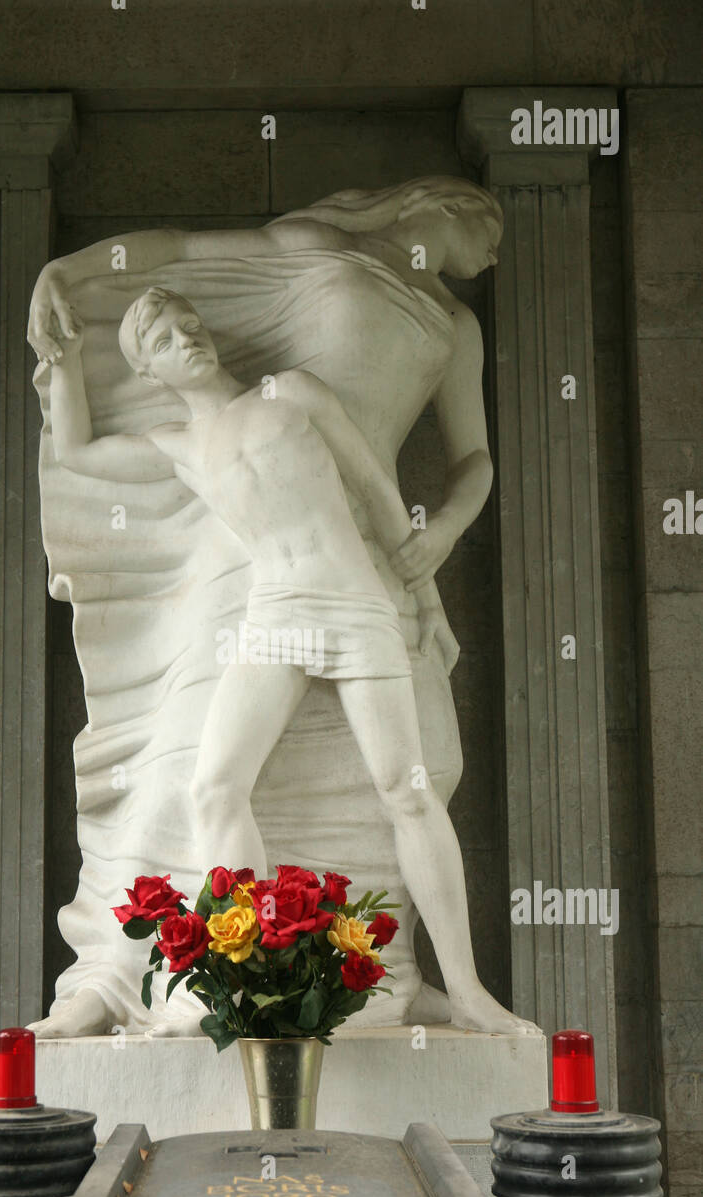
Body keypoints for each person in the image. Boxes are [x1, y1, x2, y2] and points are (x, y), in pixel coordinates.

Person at [43, 284, 537, 1037]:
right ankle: (243, 979)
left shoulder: (292, 394)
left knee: (406, 791)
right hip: (275, 617)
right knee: (214, 786)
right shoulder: (179, 446)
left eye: (190, 322)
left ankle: (466, 990)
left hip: (357, 605)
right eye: (166, 340)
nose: (188, 337)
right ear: (150, 374)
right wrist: (67, 358)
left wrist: (427, 587)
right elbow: (75, 451)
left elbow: (377, 493)